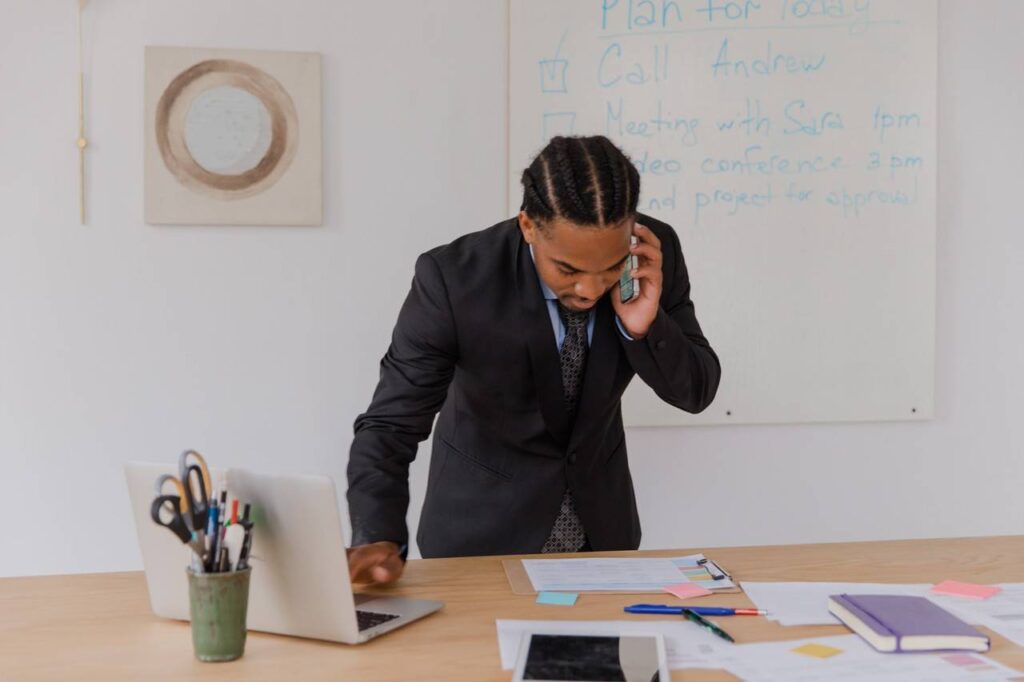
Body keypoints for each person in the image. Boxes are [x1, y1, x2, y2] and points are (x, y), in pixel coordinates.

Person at [346, 135, 720, 585]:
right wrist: (377, 534)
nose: (590, 289)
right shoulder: (454, 280)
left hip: (602, 542)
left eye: (609, 268)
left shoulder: (652, 255)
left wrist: (645, 326)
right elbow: (391, 425)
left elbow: (696, 392)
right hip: (478, 544)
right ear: (528, 226)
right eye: (569, 270)